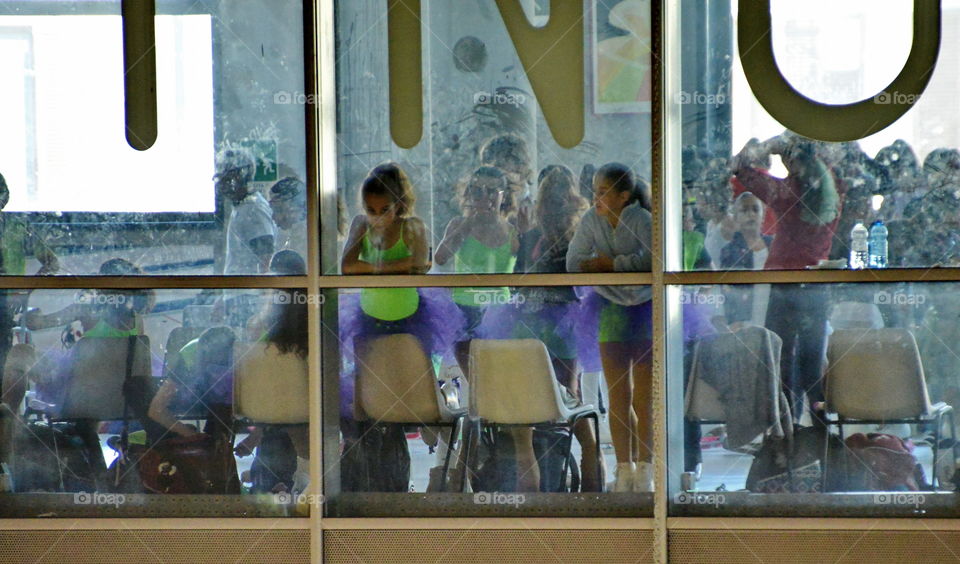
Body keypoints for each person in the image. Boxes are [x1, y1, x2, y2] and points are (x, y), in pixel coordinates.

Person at [339, 163, 464, 491]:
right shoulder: (360, 225)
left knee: (415, 374)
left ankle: (427, 419)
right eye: (371, 210)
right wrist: (393, 268)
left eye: (385, 210)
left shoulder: (412, 226)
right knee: (369, 383)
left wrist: (374, 267)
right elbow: (348, 266)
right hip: (370, 318)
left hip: (410, 318)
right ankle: (371, 445)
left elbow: (420, 263)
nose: (378, 218)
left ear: (399, 204)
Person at [482, 165, 604, 491]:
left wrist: (524, 239)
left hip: (530, 323)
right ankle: (591, 475)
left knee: (530, 406)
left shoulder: (544, 235)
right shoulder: (574, 234)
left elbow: (518, 282)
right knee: (570, 399)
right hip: (559, 324)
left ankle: (534, 492)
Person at [732, 133, 844, 421]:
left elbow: (739, 168)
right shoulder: (833, 189)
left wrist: (767, 146)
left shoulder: (788, 192)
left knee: (780, 364)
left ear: (793, 162)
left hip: (785, 286)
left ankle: (786, 431)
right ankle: (820, 432)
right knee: (812, 366)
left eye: (785, 160)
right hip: (817, 288)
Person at [567, 163, 653, 492]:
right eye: (595, 192)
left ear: (623, 196)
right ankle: (624, 467)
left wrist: (610, 263)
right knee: (618, 395)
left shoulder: (642, 220)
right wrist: (604, 266)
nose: (596, 198)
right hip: (609, 309)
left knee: (644, 397)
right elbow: (574, 262)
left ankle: (646, 468)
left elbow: (652, 259)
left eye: (603, 192)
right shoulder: (591, 219)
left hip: (646, 308)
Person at [435, 166, 518, 374]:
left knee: (500, 376)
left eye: (492, 191)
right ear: (469, 194)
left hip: (500, 311)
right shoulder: (459, 224)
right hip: (464, 312)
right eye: (478, 191)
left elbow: (526, 270)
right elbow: (440, 258)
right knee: (474, 378)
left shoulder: (512, 230)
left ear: (503, 196)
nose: (485, 197)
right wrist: (468, 224)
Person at [217, 147, 277, 275]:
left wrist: (262, 288)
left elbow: (266, 260)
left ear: (242, 176)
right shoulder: (241, 207)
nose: (221, 185)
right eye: (220, 179)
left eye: (227, 179)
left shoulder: (253, 210)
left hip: (249, 287)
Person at [269, 177, 308, 256]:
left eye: (278, 209)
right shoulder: (288, 237)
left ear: (294, 208)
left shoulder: (308, 239)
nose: (273, 217)